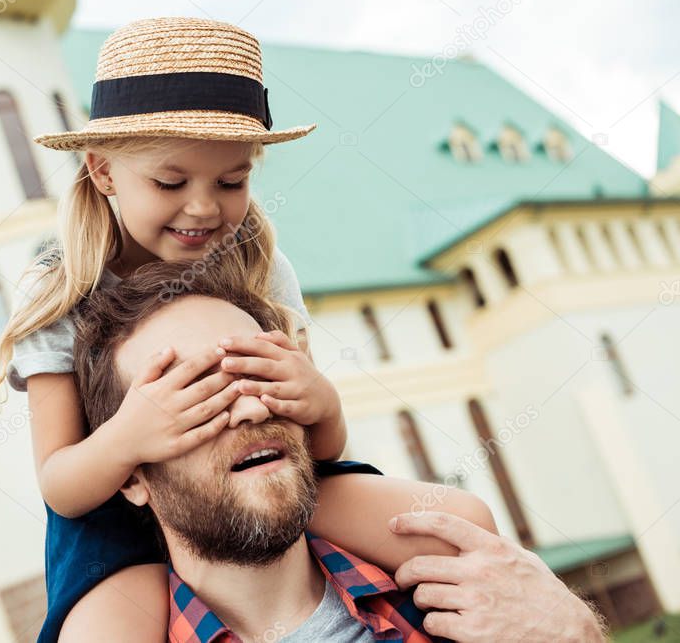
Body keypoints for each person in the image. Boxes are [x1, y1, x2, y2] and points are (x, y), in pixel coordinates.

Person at [0, 16, 494, 642]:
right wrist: (133, 436)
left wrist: (321, 403)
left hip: (264, 473)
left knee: (458, 526)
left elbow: (318, 448)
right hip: (113, 517)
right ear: (102, 171)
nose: (204, 207)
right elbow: (62, 486)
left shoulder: (257, 258)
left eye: (232, 181)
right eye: (170, 182)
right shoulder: (59, 284)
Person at [71, 259, 608, 642]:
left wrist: (574, 635)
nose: (253, 409)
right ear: (131, 477)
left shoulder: (465, 595)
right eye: (197, 398)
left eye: (263, 376)